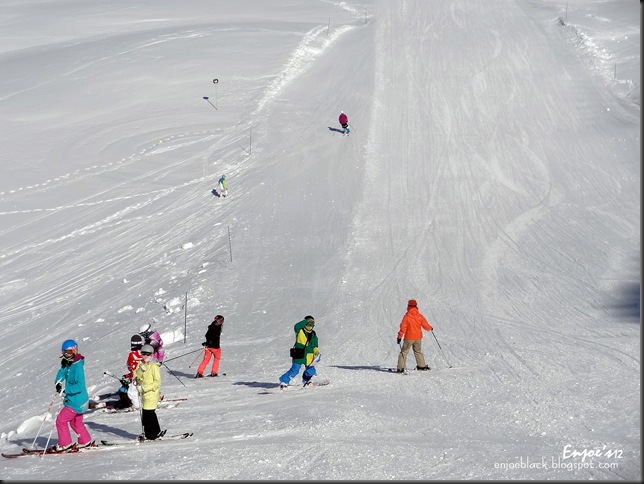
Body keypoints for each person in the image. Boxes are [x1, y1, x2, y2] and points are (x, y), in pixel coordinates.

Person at [52, 339, 94, 452]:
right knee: (75, 422)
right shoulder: (69, 362)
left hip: (76, 401)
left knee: (61, 421)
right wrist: (58, 382)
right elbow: (62, 372)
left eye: (68, 352)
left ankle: (65, 443)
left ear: (75, 351)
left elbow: (80, 386)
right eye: (64, 352)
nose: (66, 355)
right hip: (79, 400)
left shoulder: (77, 366)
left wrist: (66, 390)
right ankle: (85, 441)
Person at [279, 316, 319, 389]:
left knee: (311, 371)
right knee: (295, 370)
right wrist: (306, 321)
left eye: (312, 324)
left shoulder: (313, 333)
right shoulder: (299, 330)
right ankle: (284, 381)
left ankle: (306, 381)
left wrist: (316, 349)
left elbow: (315, 343)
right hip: (299, 354)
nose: (310, 326)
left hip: (309, 355)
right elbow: (296, 326)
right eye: (308, 324)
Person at [133, 344, 163, 441]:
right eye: (143, 354)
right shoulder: (141, 364)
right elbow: (136, 375)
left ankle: (152, 434)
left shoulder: (154, 366)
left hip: (152, 393)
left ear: (152, 355)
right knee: (147, 414)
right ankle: (153, 432)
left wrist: (144, 388)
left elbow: (157, 383)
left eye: (147, 354)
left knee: (148, 414)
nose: (145, 356)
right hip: (144, 395)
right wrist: (140, 374)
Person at [396, 299, 433, 372]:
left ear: (408, 306)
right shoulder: (419, 316)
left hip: (409, 338)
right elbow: (425, 324)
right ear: (416, 306)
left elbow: (403, 327)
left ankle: (400, 368)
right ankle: (422, 366)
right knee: (418, 351)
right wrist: (430, 328)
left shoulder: (407, 317)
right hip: (418, 338)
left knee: (404, 352)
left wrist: (399, 336)